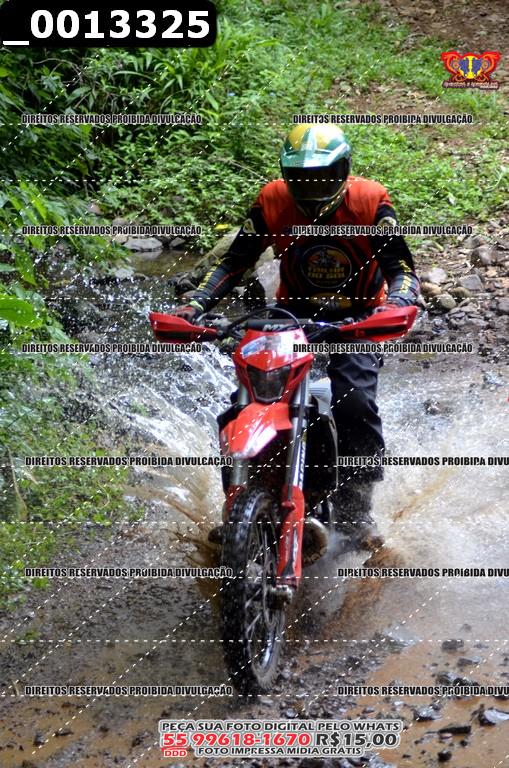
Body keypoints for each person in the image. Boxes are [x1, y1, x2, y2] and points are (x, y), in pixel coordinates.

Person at [171, 123, 420, 547]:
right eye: (302, 178)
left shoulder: (369, 201)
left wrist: (396, 304)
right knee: (246, 400)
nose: (312, 187)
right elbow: (235, 262)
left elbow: (402, 270)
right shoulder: (273, 201)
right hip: (291, 315)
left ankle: (357, 510)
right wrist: (196, 304)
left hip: (359, 317)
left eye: (322, 177)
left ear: (343, 170)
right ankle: (241, 502)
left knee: (355, 400)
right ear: (287, 175)